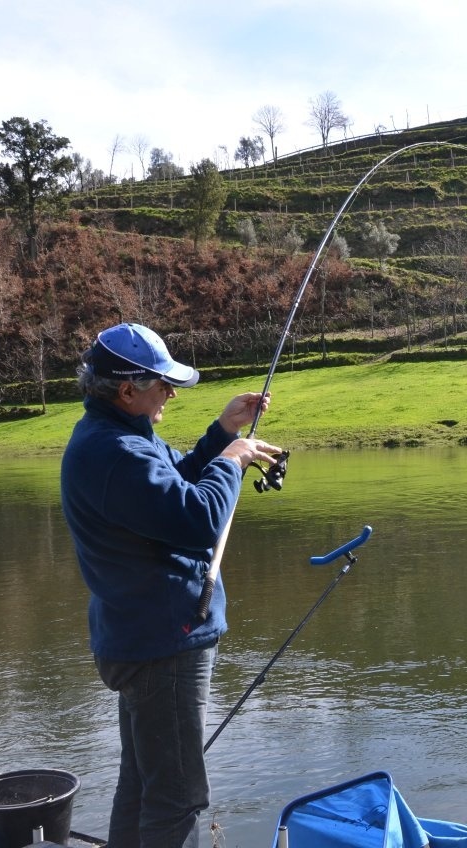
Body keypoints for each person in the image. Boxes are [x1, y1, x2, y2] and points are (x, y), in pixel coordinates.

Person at [60, 322, 282, 848]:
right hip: (164, 646)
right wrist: (232, 461)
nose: (171, 392)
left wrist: (222, 433)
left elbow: (167, 492)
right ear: (127, 389)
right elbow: (195, 518)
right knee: (177, 795)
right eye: (162, 383)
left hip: (143, 636)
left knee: (142, 784)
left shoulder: (117, 437)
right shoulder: (114, 452)